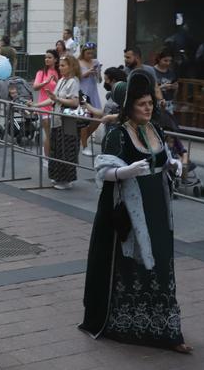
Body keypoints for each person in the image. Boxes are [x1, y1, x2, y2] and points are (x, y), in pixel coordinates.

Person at [79, 70, 191, 354]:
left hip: (157, 207)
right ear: (129, 106)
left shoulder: (157, 130)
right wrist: (123, 171)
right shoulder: (117, 134)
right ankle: (126, 324)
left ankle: (167, 328)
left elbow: (162, 157)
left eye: (150, 103)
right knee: (131, 263)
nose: (148, 107)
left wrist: (172, 165)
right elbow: (102, 171)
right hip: (129, 210)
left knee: (161, 262)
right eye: (142, 104)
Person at [31, 55, 80, 190]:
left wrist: (57, 99)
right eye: (60, 65)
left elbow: (74, 102)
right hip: (57, 119)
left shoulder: (73, 82)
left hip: (68, 120)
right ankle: (58, 177)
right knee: (57, 148)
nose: (60, 68)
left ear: (71, 67)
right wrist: (36, 104)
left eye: (63, 65)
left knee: (66, 149)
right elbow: (52, 99)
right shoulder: (62, 80)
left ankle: (67, 179)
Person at [33, 49, 60, 162]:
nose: (47, 59)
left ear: (55, 59)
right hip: (44, 106)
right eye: (46, 57)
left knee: (57, 134)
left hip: (56, 107)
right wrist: (46, 82)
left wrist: (57, 79)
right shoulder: (41, 72)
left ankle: (55, 157)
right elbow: (35, 87)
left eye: (49, 57)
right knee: (48, 134)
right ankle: (47, 158)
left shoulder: (59, 72)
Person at [78, 43, 103, 156]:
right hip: (82, 93)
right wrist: (86, 73)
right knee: (84, 119)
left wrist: (98, 73)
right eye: (88, 53)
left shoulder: (96, 62)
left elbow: (100, 81)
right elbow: (75, 77)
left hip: (93, 92)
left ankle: (82, 139)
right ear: (83, 52)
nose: (90, 55)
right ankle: (85, 146)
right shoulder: (78, 62)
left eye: (92, 53)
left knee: (99, 117)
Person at [154, 49, 179, 114]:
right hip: (156, 103)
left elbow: (175, 92)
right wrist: (162, 87)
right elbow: (149, 90)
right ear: (159, 59)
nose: (168, 63)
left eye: (170, 61)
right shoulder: (152, 71)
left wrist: (175, 88)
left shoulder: (171, 73)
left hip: (169, 104)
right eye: (165, 60)